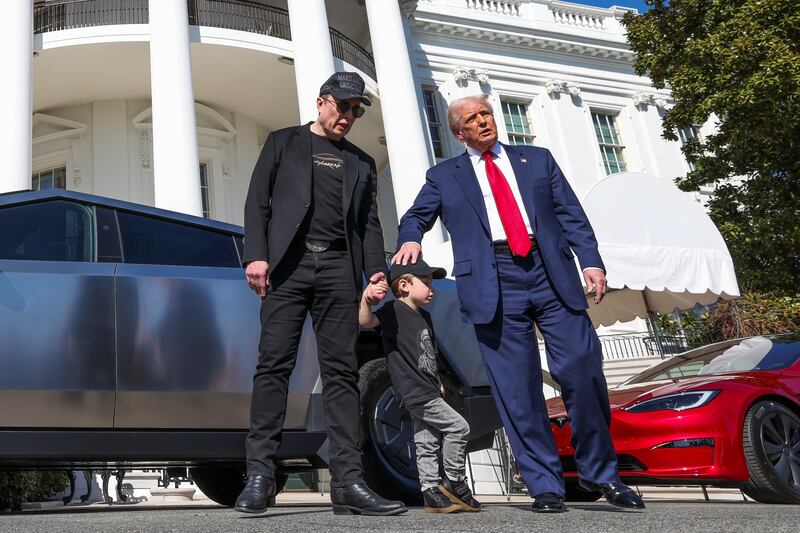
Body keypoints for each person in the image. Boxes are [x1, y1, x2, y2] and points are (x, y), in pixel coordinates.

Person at [392, 95, 645, 513]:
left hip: (550, 271)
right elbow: (416, 216)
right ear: (458, 133)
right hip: (492, 279)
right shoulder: (444, 176)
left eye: (486, 114)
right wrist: (411, 239)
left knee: (582, 368)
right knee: (517, 389)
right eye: (473, 119)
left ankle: (601, 473)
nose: (484, 121)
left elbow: (571, 215)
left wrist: (591, 262)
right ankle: (545, 485)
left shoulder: (537, 160)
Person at [236, 71, 406, 516]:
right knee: (274, 366)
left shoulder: (361, 162)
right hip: (288, 268)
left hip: (337, 270)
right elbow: (257, 202)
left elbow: (369, 224)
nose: (348, 116)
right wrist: (256, 256)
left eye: (356, 110)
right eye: (342, 106)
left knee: (341, 373)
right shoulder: (283, 142)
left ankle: (348, 482)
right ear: (321, 102)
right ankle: (259, 476)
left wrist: (375, 272)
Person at [358, 260, 482, 513]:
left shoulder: (425, 317)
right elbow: (365, 321)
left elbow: (428, 354)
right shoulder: (392, 311)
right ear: (404, 285)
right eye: (425, 283)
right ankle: (455, 481)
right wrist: (366, 301)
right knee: (459, 427)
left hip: (428, 388)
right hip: (413, 390)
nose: (431, 289)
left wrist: (438, 382)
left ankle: (430, 492)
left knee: (426, 441)